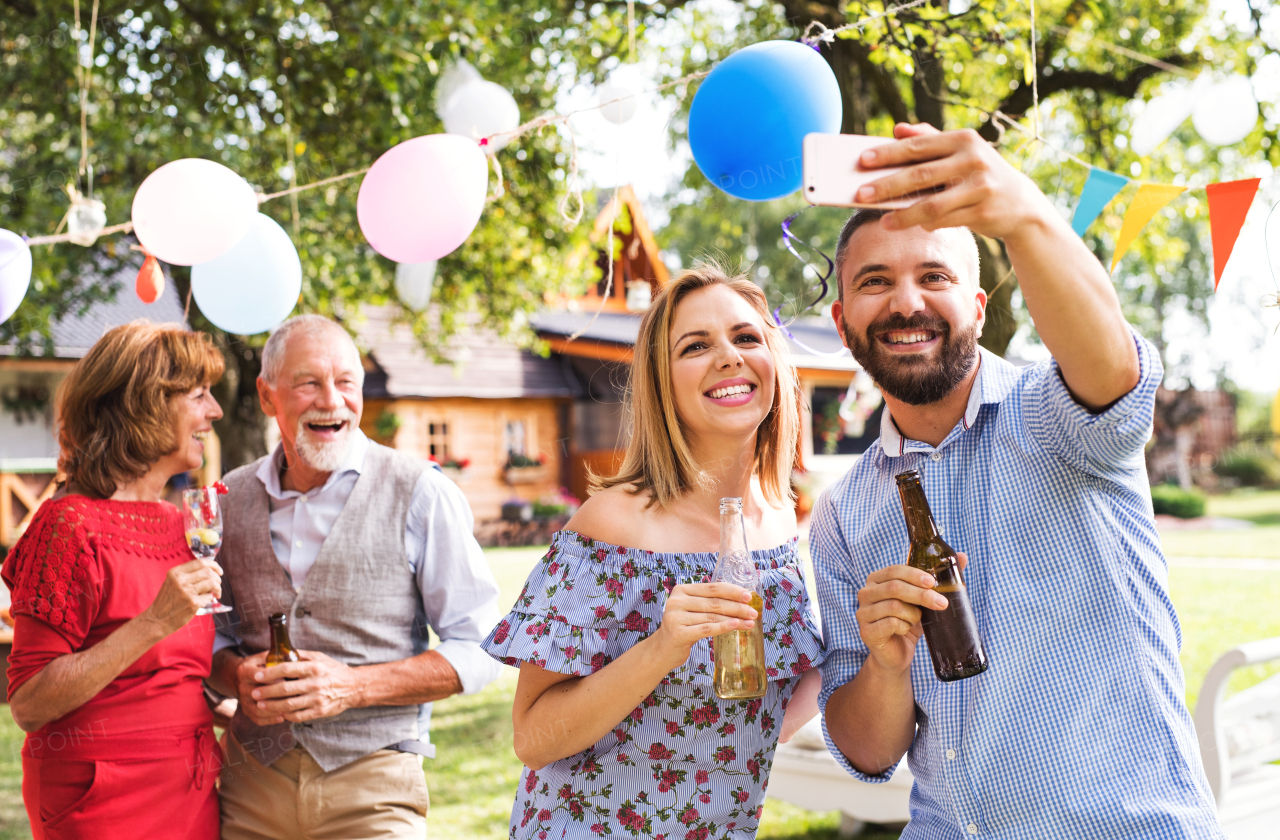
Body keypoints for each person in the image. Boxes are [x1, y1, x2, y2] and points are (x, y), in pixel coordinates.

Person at [812, 123, 1223, 837]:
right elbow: (868, 753)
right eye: (875, 282)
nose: (906, 302)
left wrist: (1025, 216)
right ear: (846, 326)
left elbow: (1116, 375)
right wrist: (883, 665)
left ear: (976, 308)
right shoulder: (845, 513)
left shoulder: (1058, 415)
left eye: (933, 276)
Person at [481, 261, 826, 840]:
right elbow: (532, 738)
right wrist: (663, 646)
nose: (729, 356)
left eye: (746, 337)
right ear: (661, 383)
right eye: (696, 345)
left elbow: (764, 718)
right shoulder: (612, 525)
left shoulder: (780, 521)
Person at [206, 314, 503, 840]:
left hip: (376, 784)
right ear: (267, 395)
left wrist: (352, 687)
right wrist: (235, 677)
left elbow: (482, 648)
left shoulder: (420, 492)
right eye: (308, 383)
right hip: (250, 784)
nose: (331, 400)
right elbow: (212, 637)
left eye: (346, 382)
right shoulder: (230, 497)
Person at [2, 321, 226, 840]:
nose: (214, 411)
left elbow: (165, 677)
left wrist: (229, 706)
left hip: (190, 791)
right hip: (101, 798)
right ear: (145, 405)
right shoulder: (66, 526)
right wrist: (154, 622)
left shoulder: (177, 523)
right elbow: (30, 702)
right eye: (199, 396)